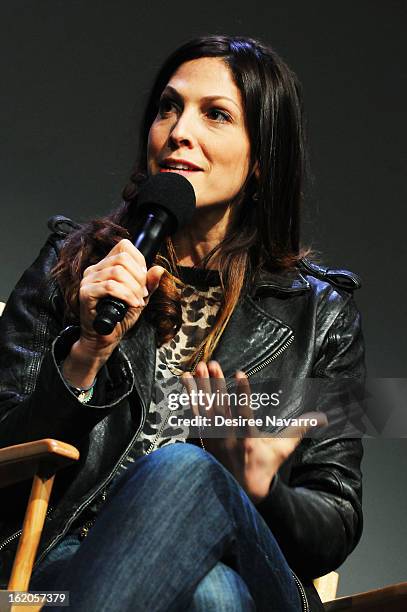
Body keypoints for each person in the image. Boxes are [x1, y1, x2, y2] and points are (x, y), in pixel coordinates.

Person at [0, 36, 365, 611]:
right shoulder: (70, 268)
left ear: (262, 159)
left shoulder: (325, 316)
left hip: (256, 562)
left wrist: (261, 488)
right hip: (73, 560)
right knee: (212, 595)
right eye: (168, 108)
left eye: (215, 114)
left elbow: (336, 520)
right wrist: (84, 357)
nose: (178, 132)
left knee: (187, 471)